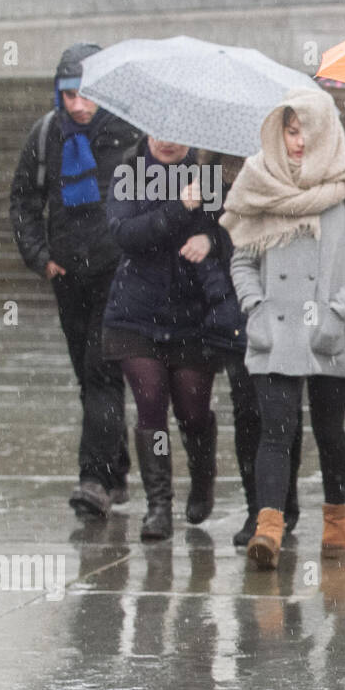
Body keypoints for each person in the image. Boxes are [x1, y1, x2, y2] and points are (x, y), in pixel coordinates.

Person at [223, 88, 345, 567]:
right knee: (275, 429)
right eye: (291, 130)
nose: (299, 141)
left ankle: (337, 521)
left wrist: (339, 312)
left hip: (331, 326)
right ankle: (268, 529)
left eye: (307, 130)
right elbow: (242, 259)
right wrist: (255, 307)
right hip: (275, 328)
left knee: (330, 430)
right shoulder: (258, 178)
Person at [9, 43, 140, 522]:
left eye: (87, 94)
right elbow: (23, 201)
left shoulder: (130, 135)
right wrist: (40, 258)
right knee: (88, 379)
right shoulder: (46, 136)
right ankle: (118, 468)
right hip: (67, 275)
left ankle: (95, 479)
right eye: (69, 95)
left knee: (102, 372)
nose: (79, 105)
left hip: (116, 273)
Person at [103, 134, 239, 541]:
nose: (166, 142)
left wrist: (211, 239)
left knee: (193, 411)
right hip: (136, 313)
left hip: (193, 315)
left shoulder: (208, 177)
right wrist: (179, 209)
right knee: (150, 408)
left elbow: (238, 233)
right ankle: (158, 505)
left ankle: (202, 478)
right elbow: (126, 233)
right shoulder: (130, 174)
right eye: (158, 132)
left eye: (178, 137)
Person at [192, 151, 304, 547]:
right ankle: (257, 507)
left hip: (283, 303)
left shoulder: (282, 173)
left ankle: (283, 505)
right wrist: (227, 297)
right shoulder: (208, 178)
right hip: (234, 312)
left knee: (283, 410)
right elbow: (202, 249)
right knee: (248, 411)